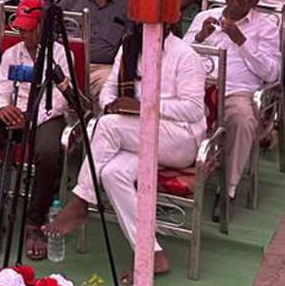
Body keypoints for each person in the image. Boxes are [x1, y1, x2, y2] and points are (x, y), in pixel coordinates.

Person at [43, 23, 207, 280]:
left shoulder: (185, 55)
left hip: (179, 139)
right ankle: (152, 254)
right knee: (111, 173)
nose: (146, 25)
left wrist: (142, 106)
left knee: (105, 125)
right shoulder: (130, 47)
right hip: (137, 134)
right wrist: (115, 106)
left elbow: (194, 109)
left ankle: (81, 201)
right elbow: (108, 92)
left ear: (168, 23)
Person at [0, 0, 71, 260]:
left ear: (42, 27)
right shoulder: (12, 53)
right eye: (21, 27)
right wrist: (2, 108)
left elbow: (60, 99)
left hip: (46, 116)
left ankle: (35, 221)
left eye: (29, 27)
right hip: (13, 112)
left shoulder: (61, 54)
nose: (23, 32)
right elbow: (1, 87)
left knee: (48, 153)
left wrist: (32, 117)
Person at [189, 0, 281, 222]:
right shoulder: (205, 17)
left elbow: (273, 73)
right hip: (197, 87)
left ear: (254, 3)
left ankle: (227, 191)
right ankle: (174, 182)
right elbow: (180, 53)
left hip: (234, 92)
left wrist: (242, 41)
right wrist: (200, 37)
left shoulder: (265, 27)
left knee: (242, 120)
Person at [59, 0, 133, 100]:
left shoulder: (128, 1)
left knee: (107, 89)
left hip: (105, 69)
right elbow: (52, 24)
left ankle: (98, 124)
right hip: (68, 65)